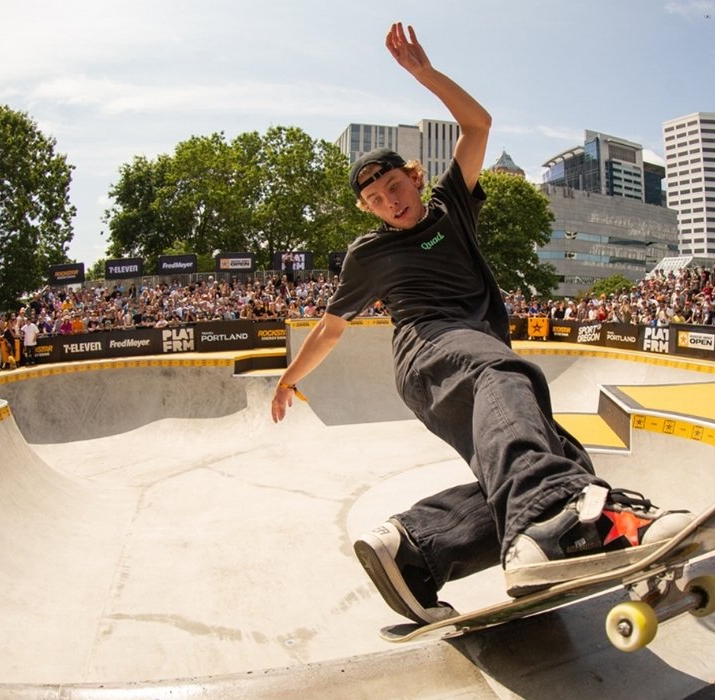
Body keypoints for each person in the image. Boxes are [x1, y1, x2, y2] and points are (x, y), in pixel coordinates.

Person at [269, 23, 692, 625]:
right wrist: (289, 378)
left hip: (471, 348)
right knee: (500, 367)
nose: (391, 202)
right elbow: (332, 327)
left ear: (413, 178)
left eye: (395, 187)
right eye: (377, 201)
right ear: (367, 210)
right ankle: (549, 522)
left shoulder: (451, 205)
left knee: (564, 457)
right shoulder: (368, 254)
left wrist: (425, 76)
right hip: (429, 350)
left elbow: (478, 126)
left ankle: (417, 549)